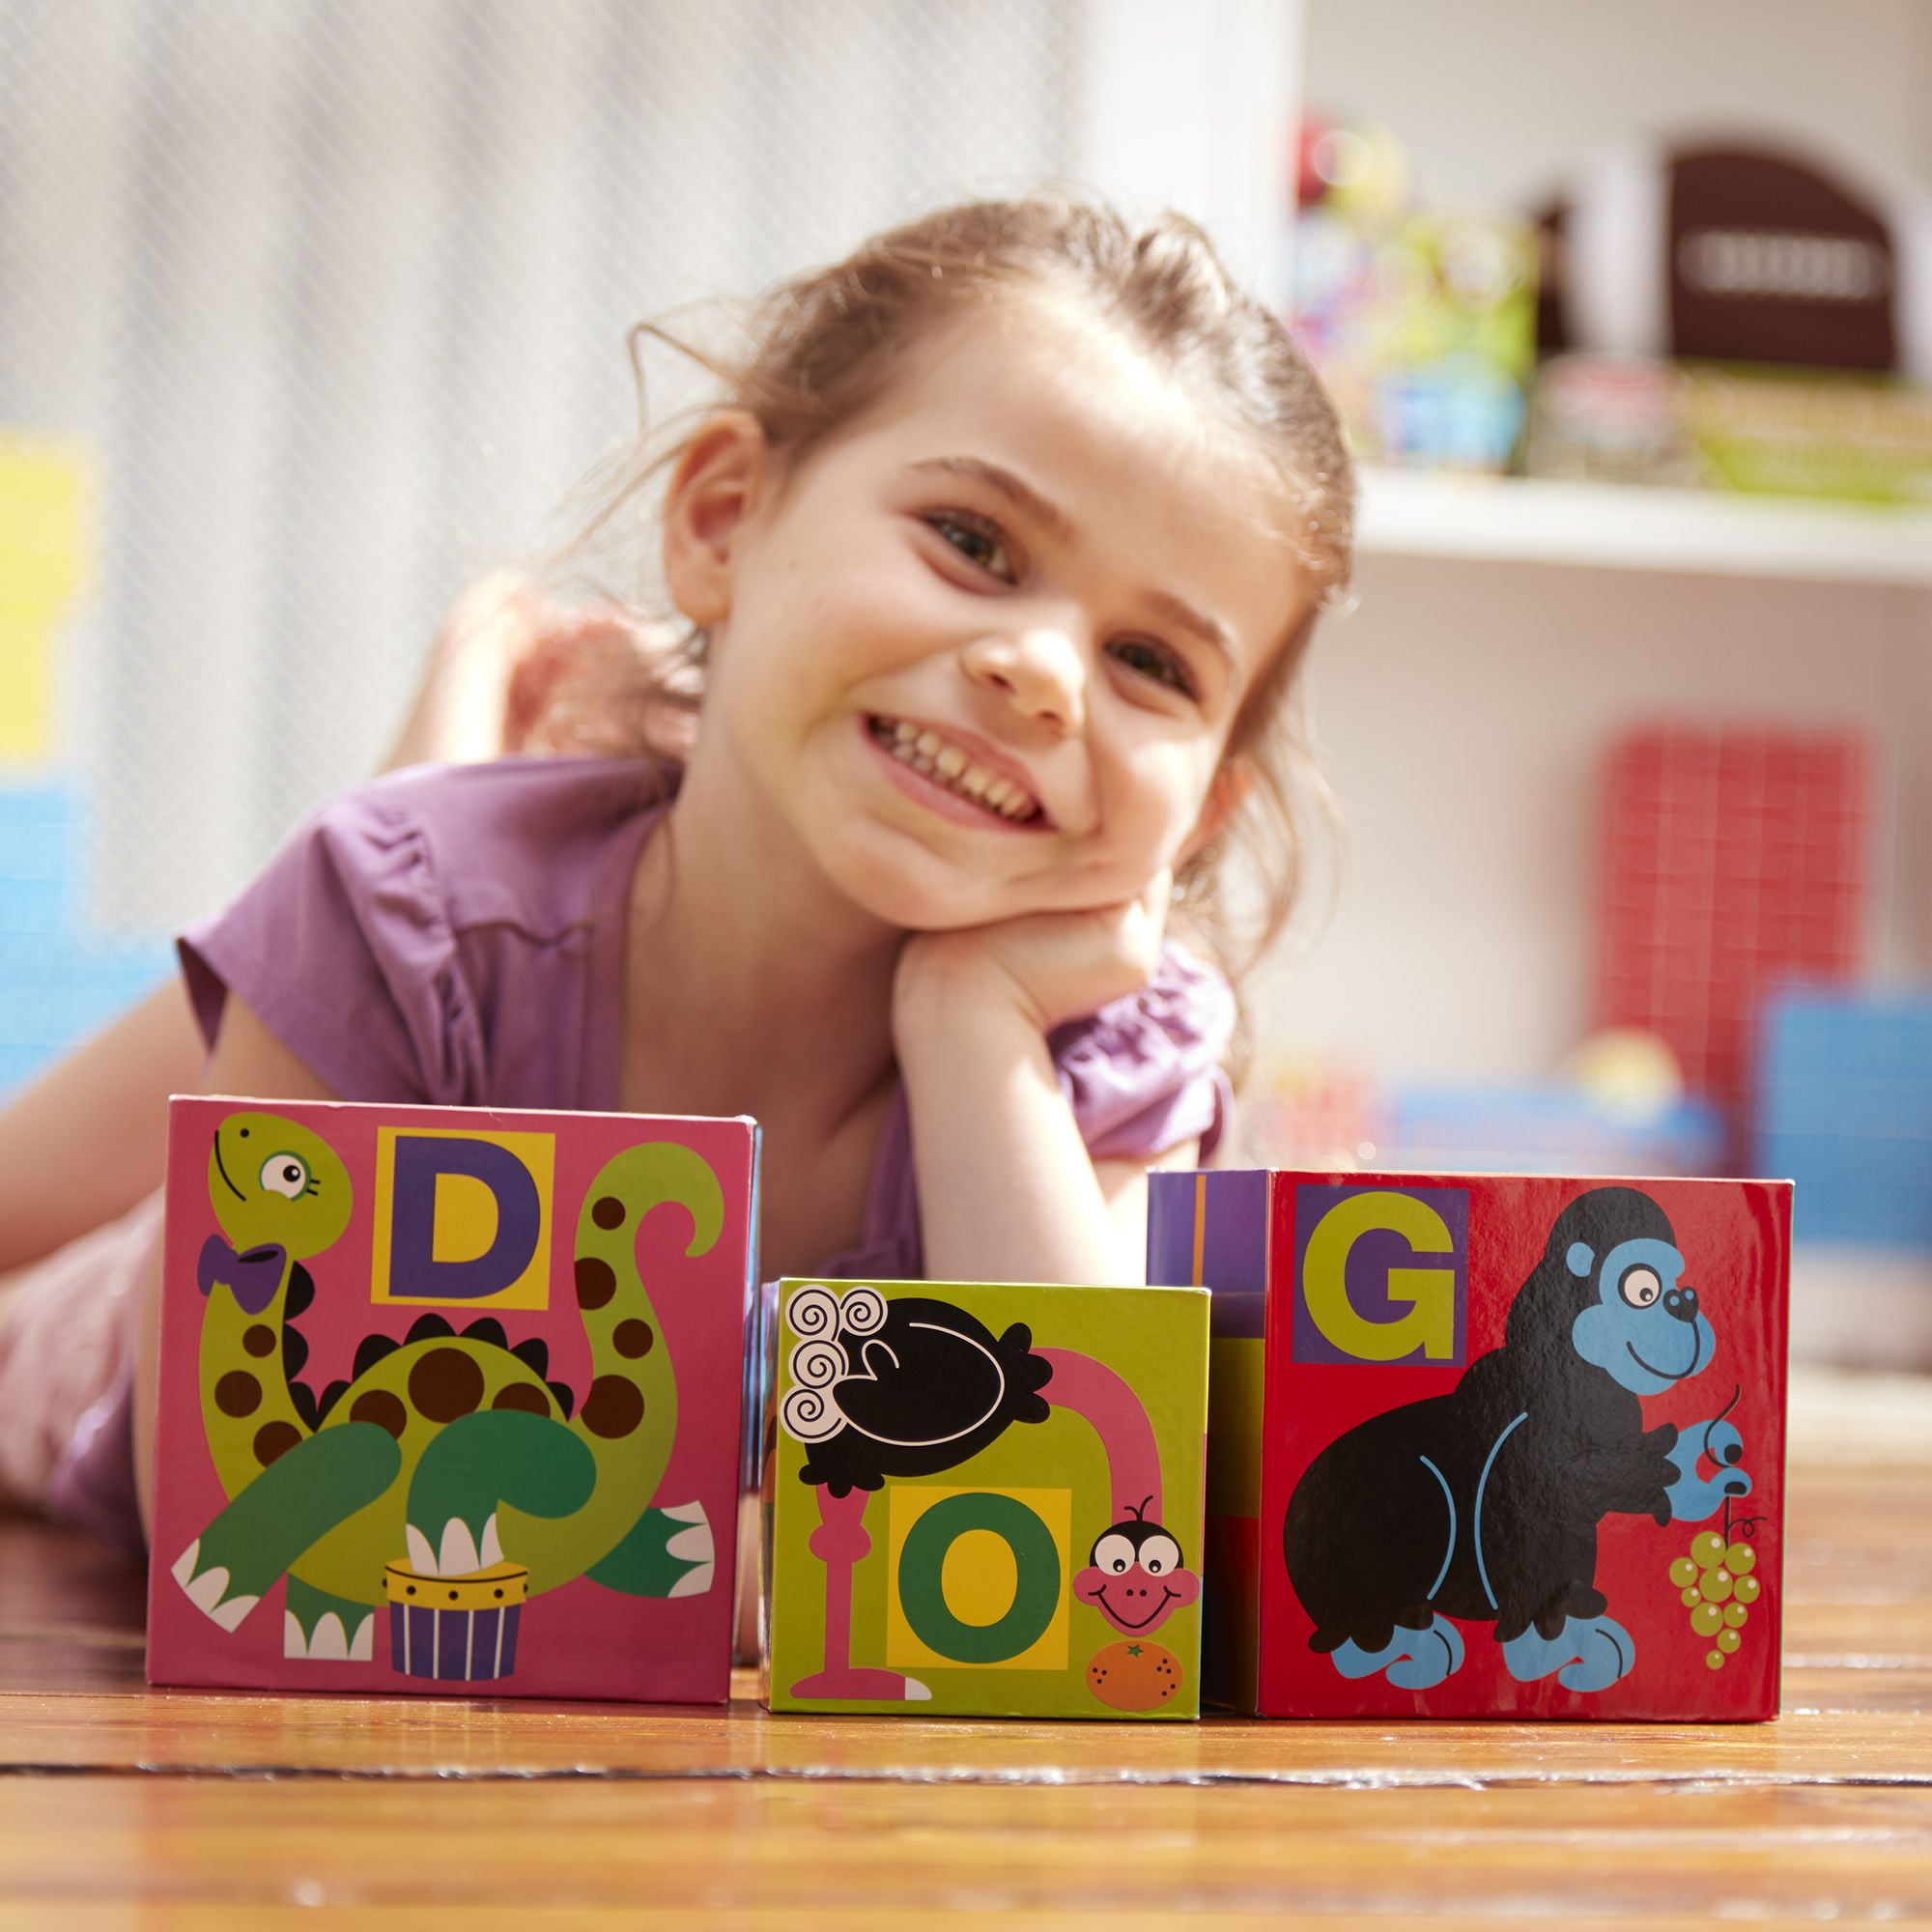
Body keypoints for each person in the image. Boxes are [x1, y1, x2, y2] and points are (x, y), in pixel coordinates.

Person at [0, 188, 1355, 1570]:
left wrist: (973, 1032)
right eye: (973, 543)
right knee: (381, 894)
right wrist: (793, 1589)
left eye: (1152, 665)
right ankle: (482, 701)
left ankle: (489, 732)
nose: (1046, 673)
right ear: (721, 521)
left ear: (1201, 815)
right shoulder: (405, 916)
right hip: (92, 1343)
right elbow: (237, 1507)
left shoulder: (1107, 1050)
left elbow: (1085, 1530)